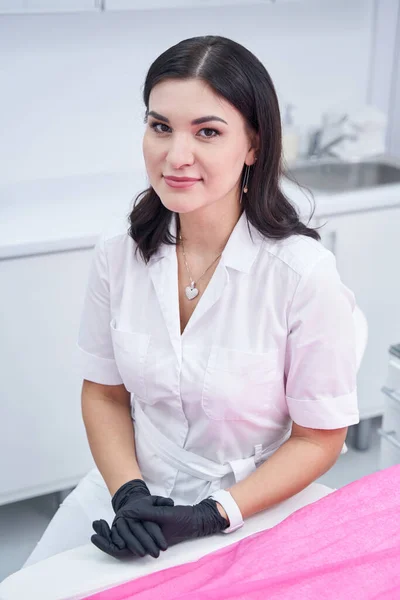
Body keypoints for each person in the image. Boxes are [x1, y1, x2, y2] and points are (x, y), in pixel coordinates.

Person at [23, 35, 359, 567]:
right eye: (160, 127)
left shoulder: (301, 275)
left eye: (207, 132)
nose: (176, 156)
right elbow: (105, 394)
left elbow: (318, 438)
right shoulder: (118, 254)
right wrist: (128, 492)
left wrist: (212, 513)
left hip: (252, 505)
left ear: (253, 145)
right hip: (134, 486)